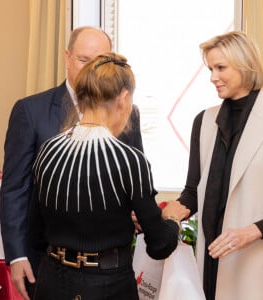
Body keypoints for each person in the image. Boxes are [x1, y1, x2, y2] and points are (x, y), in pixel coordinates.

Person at [29, 52, 190, 300]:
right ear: (124, 98)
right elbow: (159, 245)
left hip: (52, 281)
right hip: (107, 287)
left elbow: (35, 230)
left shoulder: (48, 150)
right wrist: (171, 219)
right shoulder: (129, 160)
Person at [0, 26, 143, 300]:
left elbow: (132, 179)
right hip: (49, 262)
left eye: (99, 61)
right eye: (83, 60)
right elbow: (15, 189)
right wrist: (16, 255)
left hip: (110, 270)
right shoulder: (30, 111)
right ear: (67, 58)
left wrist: (138, 212)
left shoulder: (128, 113)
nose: (91, 70)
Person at [178, 31, 263, 300]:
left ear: (245, 64)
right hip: (211, 261)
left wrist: (254, 231)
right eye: (210, 68)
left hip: (256, 261)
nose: (213, 77)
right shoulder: (203, 121)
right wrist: (161, 215)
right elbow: (192, 193)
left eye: (220, 67)